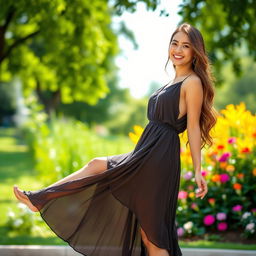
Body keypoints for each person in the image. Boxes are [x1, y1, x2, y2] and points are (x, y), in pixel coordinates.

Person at [13, 22, 217, 256]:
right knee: (96, 165)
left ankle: (38, 199)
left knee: (153, 237)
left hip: (160, 159)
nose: (178, 49)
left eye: (186, 45)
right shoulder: (171, 82)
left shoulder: (193, 83)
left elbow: (192, 127)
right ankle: (39, 198)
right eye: (174, 43)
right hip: (146, 153)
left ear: (195, 52)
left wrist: (198, 171)